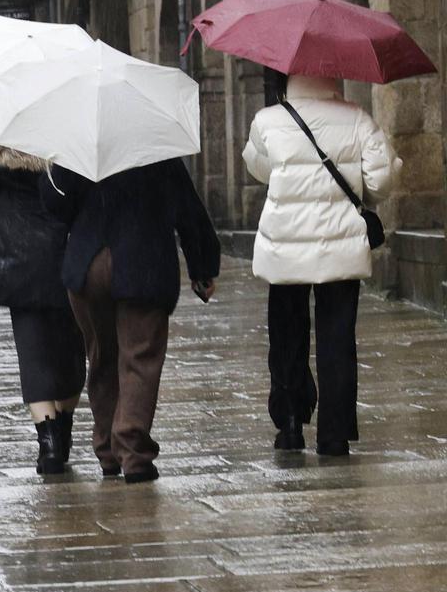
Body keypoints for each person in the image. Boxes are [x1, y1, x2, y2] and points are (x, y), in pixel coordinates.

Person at [243, 74, 401, 456]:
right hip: (341, 244)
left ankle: (291, 423)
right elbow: (381, 180)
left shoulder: (268, 119)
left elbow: (259, 169)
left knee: (286, 335)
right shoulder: (357, 117)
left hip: (286, 245)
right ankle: (334, 433)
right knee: (337, 339)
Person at [42, 159, 220, 483]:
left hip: (89, 261)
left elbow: (55, 205)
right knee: (140, 357)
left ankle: (108, 448)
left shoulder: (80, 149)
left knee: (101, 357)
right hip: (144, 261)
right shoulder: (157, 149)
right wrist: (202, 265)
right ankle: (133, 452)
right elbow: (188, 210)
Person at [0, 113, 86, 475]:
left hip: (15, 261)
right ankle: (62, 430)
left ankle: (47, 447)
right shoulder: (67, 140)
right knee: (72, 354)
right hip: (65, 257)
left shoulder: (0, 144)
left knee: (33, 355)